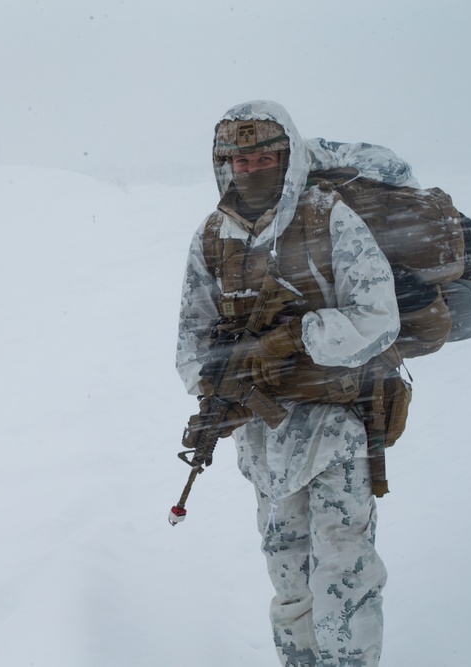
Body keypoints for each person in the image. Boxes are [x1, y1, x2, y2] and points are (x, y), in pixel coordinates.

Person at [175, 100, 411, 667]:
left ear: (288, 158)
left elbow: (380, 319)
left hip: (337, 427)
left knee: (343, 572)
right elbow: (191, 340)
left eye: (263, 157)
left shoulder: (327, 216)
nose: (250, 169)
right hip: (262, 443)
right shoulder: (213, 236)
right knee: (287, 571)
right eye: (238, 159)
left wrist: (297, 337)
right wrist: (217, 394)